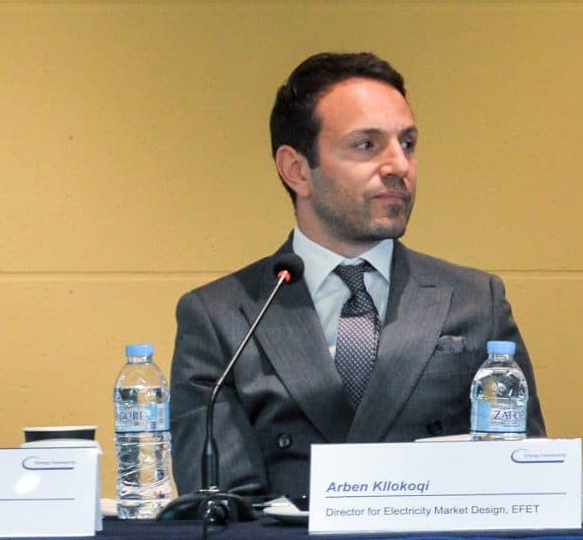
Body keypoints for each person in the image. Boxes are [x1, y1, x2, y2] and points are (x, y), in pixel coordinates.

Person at [172, 52, 543, 503]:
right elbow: (221, 509)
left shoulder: (476, 301)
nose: (399, 166)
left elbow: (527, 485)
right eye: (366, 145)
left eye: (407, 144)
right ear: (297, 170)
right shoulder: (221, 317)